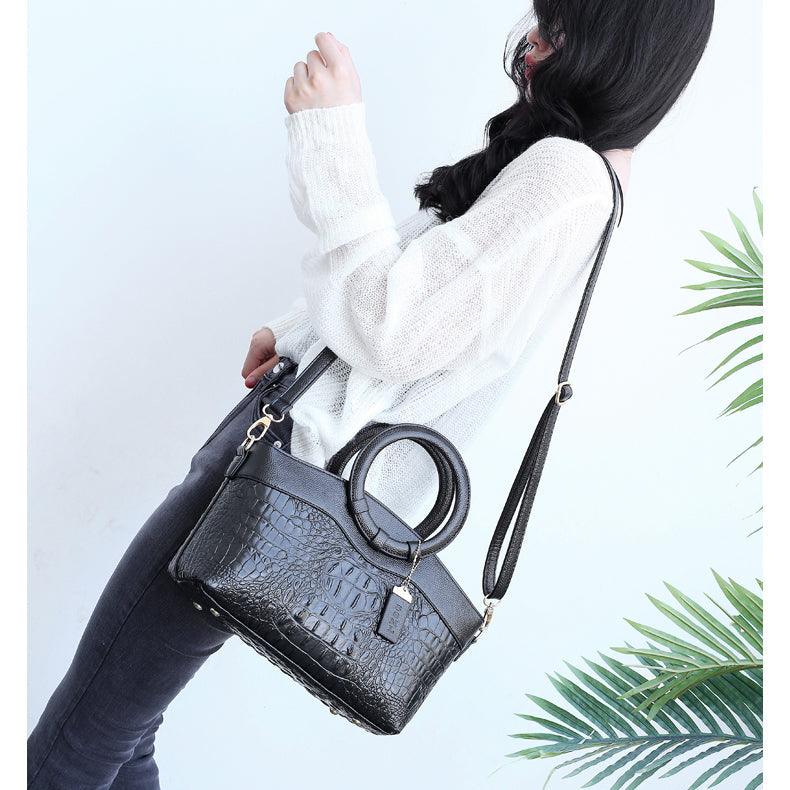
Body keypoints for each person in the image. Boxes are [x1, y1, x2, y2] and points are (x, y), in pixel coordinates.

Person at [27, 1, 716, 787]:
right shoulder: (591, 175)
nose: (533, 37)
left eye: (560, 27)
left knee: (78, 743)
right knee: (121, 729)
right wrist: (295, 330)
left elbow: (394, 327)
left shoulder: (569, 176)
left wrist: (332, 131)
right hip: (296, 471)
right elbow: (436, 313)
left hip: (285, 469)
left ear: (619, 46)